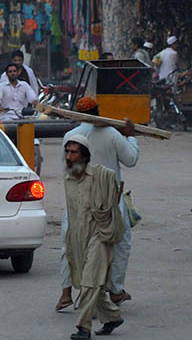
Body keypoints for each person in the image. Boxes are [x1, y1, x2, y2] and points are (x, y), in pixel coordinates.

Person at [57, 98, 139, 311]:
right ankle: (115, 290)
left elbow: (69, 169)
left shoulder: (70, 137)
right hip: (108, 201)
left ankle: (66, 292)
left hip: (77, 200)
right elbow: (131, 159)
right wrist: (130, 136)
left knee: (71, 242)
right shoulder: (112, 134)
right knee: (119, 243)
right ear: (98, 111)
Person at [62, 135, 125, 340]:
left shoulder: (101, 175)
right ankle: (112, 317)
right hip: (79, 236)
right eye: (67, 152)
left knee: (90, 281)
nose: (69, 157)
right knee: (89, 281)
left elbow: (112, 205)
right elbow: (72, 213)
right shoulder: (68, 179)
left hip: (100, 234)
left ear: (85, 156)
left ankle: (84, 328)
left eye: (74, 152)